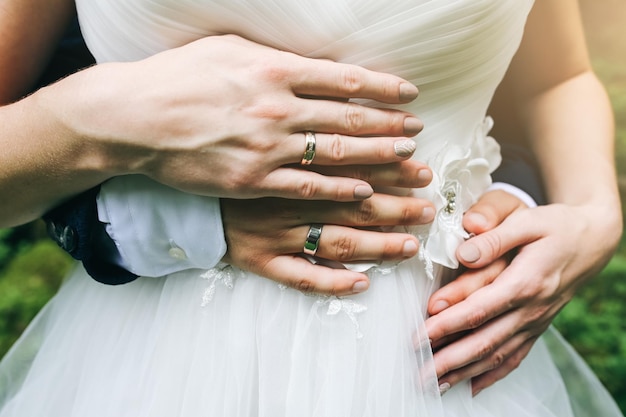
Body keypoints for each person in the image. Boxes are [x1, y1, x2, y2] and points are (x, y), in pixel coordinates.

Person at [0, 1, 622, 417]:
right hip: (162, 364)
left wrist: (594, 210)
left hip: (446, 360)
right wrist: (93, 118)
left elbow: (555, 78)